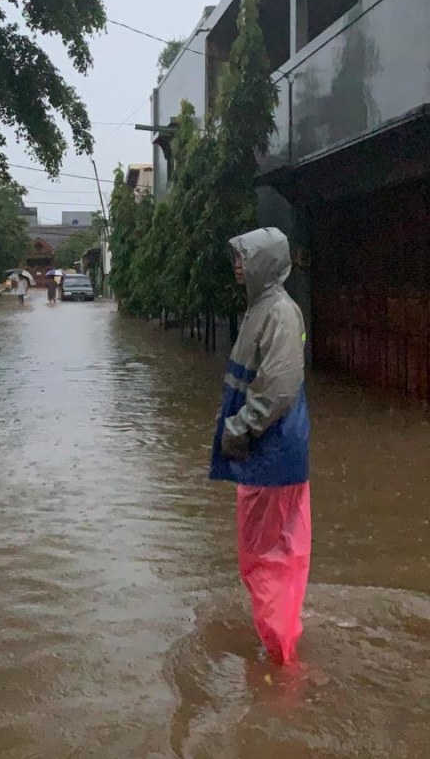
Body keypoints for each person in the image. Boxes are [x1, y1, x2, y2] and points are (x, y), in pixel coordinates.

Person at [210, 227, 311, 665]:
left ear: (265, 263)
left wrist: (240, 427)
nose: (237, 265)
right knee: (266, 555)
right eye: (236, 257)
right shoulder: (262, 309)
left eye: (244, 258)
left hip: (270, 450)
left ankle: (282, 661)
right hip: (265, 452)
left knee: (269, 557)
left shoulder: (279, 313)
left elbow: (279, 387)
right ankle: (279, 647)